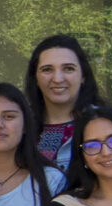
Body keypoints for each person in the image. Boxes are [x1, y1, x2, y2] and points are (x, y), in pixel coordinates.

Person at [28, 36, 106, 173]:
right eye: (47, 69)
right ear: (35, 78)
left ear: (83, 76)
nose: (58, 79)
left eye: (68, 69)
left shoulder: (105, 124)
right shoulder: (21, 127)